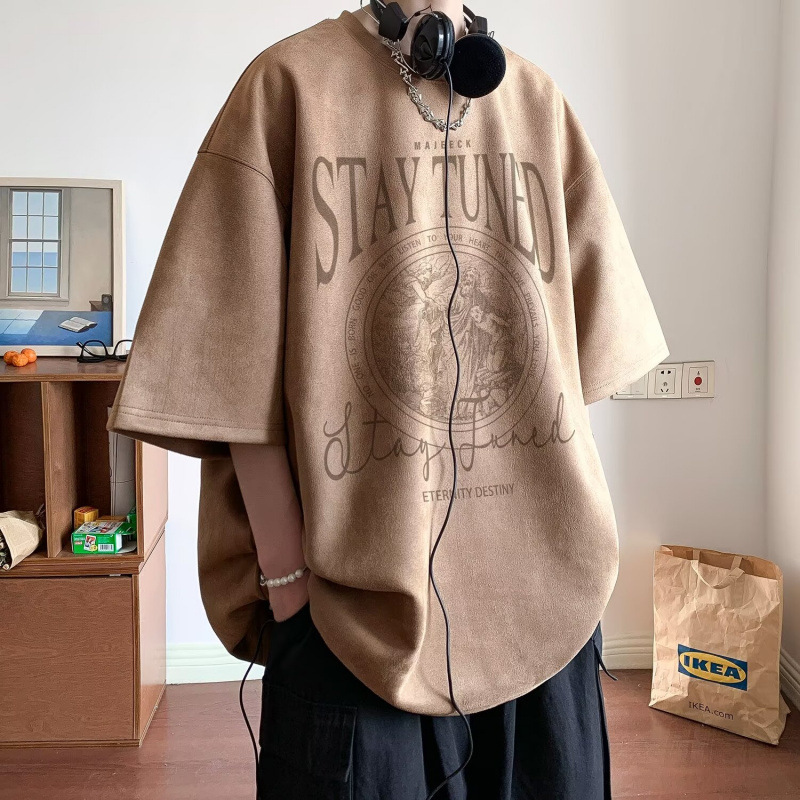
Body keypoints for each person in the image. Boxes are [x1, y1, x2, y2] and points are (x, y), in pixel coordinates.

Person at [106, 3, 670, 798]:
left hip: (546, 611)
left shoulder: (535, 101)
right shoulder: (287, 86)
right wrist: (288, 581)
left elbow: (585, 361)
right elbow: (227, 372)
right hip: (348, 621)